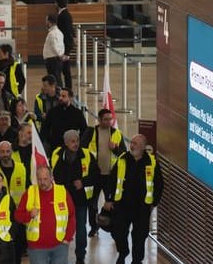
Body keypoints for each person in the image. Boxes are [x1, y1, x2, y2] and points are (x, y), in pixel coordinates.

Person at [104, 134, 163, 264]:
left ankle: (137, 260)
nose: (132, 145)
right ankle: (123, 252)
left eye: (135, 143)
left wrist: (153, 203)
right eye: (132, 143)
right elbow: (112, 180)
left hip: (142, 208)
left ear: (143, 147)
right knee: (119, 233)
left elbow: (159, 185)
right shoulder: (122, 159)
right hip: (122, 205)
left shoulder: (152, 163)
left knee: (139, 237)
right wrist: (108, 199)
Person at [51, 130, 99, 264]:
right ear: (66, 143)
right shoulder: (57, 155)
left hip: (80, 200)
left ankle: (80, 257)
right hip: (62, 199)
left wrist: (83, 182)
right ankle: (59, 256)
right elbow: (52, 174)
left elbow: (96, 175)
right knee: (60, 228)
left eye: (77, 140)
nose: (76, 144)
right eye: (72, 141)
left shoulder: (87, 155)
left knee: (81, 229)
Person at [14, 166, 76, 264]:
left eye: (45, 179)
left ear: (51, 178)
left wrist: (67, 238)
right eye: (39, 179)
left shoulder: (62, 192)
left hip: (60, 246)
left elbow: (71, 216)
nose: (42, 182)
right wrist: (29, 215)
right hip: (37, 248)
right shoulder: (29, 193)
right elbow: (17, 216)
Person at [82, 108, 127, 237]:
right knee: (92, 203)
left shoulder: (116, 134)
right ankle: (93, 226)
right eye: (105, 119)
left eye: (110, 119)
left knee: (112, 203)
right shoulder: (91, 132)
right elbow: (83, 151)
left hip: (110, 176)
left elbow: (124, 154)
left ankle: (113, 227)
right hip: (95, 175)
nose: (108, 122)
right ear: (99, 120)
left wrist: (115, 148)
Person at [40, 88, 87, 154]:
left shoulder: (77, 113)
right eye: (60, 96)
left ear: (70, 98)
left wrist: (77, 141)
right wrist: (49, 141)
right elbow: (45, 128)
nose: (60, 98)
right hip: (55, 146)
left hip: (72, 147)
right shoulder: (52, 112)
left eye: (63, 96)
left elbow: (84, 130)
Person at [43, 14, 65, 88]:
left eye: (46, 21)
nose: (45, 23)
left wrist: (59, 55)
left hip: (53, 60)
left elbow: (55, 46)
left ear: (49, 22)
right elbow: (61, 46)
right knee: (56, 79)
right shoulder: (58, 32)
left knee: (55, 80)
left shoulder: (53, 33)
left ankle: (58, 95)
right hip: (54, 60)